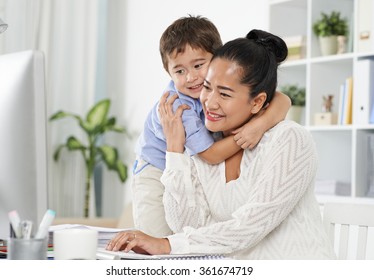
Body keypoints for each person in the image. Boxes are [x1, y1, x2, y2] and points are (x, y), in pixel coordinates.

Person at [107, 29, 336, 259]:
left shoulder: (289, 139)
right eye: (207, 88)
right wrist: (174, 149)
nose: (210, 103)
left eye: (224, 94)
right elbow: (186, 225)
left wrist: (166, 245)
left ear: (257, 102)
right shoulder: (202, 143)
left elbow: (250, 226)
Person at [133, 16, 291, 238]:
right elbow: (211, 155)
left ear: (216, 59)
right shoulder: (178, 106)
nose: (191, 77)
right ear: (169, 72)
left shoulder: (217, 87)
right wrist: (245, 134)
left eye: (198, 65)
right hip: (155, 172)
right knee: (155, 239)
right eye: (179, 71)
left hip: (189, 170)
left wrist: (261, 123)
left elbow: (282, 99)